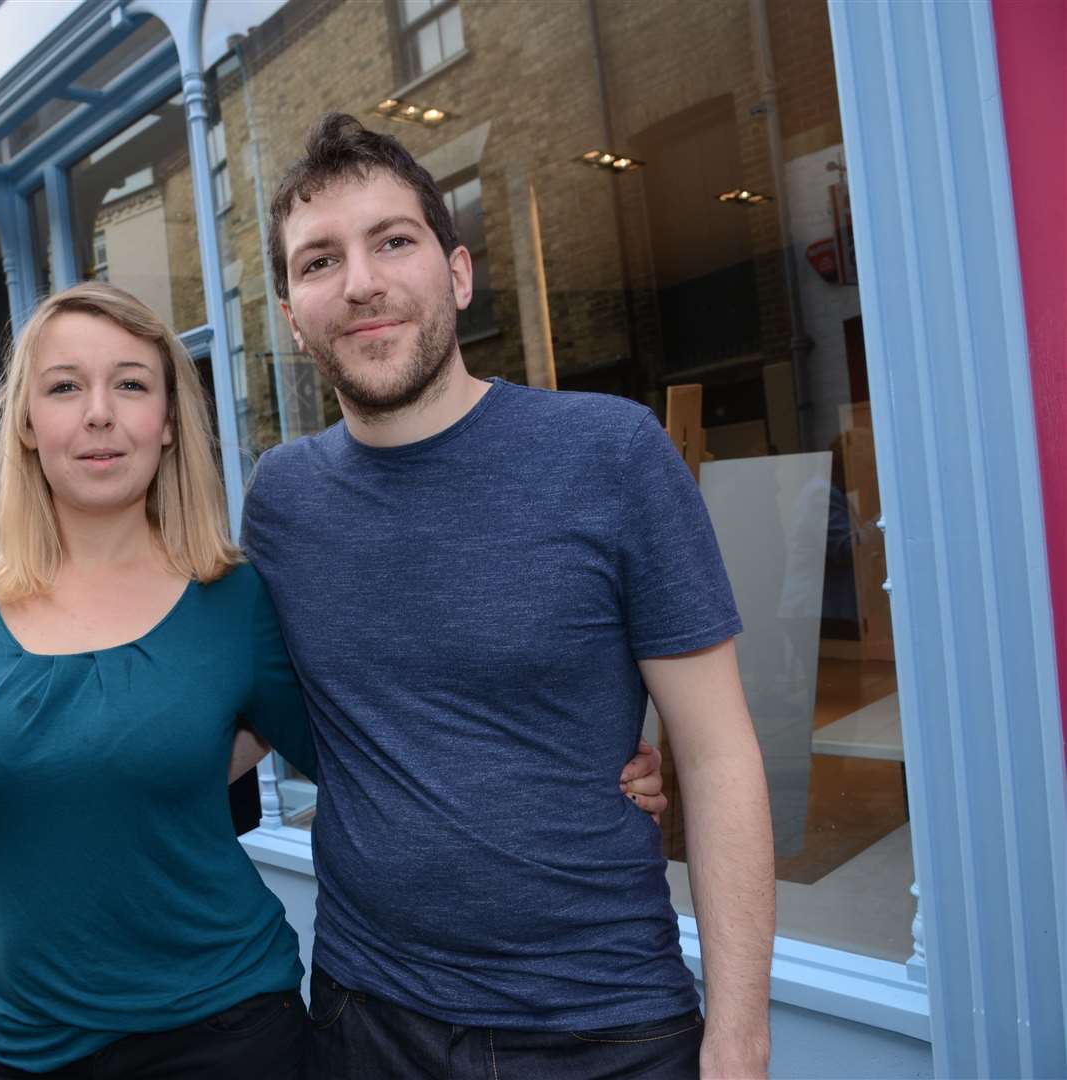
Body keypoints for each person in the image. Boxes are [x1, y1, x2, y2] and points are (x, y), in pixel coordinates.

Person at [0, 282, 666, 1079]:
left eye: (131, 384)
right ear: (27, 423)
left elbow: (367, 740)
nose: (99, 412)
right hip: (29, 1048)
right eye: (65, 386)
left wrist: (579, 759)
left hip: (228, 1032)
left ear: (168, 424)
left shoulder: (231, 598)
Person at [240, 113, 776, 1079]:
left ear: (457, 273)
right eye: (319, 261)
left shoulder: (608, 453)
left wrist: (738, 1039)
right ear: (291, 315)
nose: (359, 282)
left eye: (392, 241)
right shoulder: (282, 499)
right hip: (366, 1017)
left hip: (600, 1023)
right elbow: (235, 708)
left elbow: (719, 751)